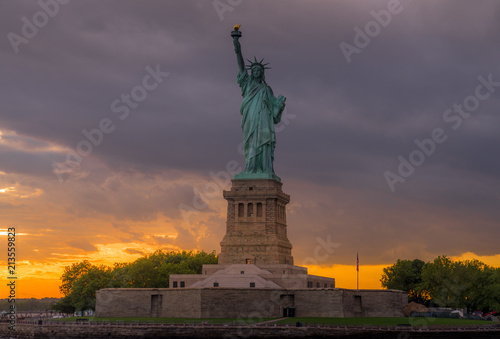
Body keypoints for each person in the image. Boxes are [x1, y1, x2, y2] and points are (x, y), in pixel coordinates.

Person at [232, 31, 286, 180]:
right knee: (250, 143)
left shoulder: (266, 89)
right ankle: (251, 168)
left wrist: (279, 105)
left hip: (263, 122)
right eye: (254, 70)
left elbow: (275, 115)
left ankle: (264, 168)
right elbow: (241, 66)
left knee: (263, 143)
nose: (255, 72)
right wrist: (237, 46)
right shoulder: (247, 83)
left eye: (258, 70)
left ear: (262, 73)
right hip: (250, 119)